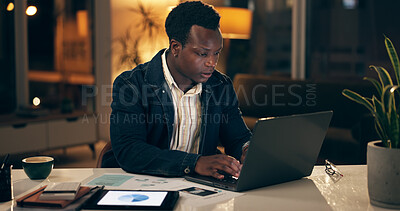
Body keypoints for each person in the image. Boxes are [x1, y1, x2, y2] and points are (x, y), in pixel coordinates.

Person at [102, 1, 251, 180]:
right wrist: (194, 163)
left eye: (216, 53)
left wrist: (246, 150)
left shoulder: (221, 86)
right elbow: (130, 150)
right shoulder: (131, 84)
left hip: (200, 186)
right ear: (176, 48)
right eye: (203, 54)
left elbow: (237, 137)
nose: (212, 62)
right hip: (142, 183)